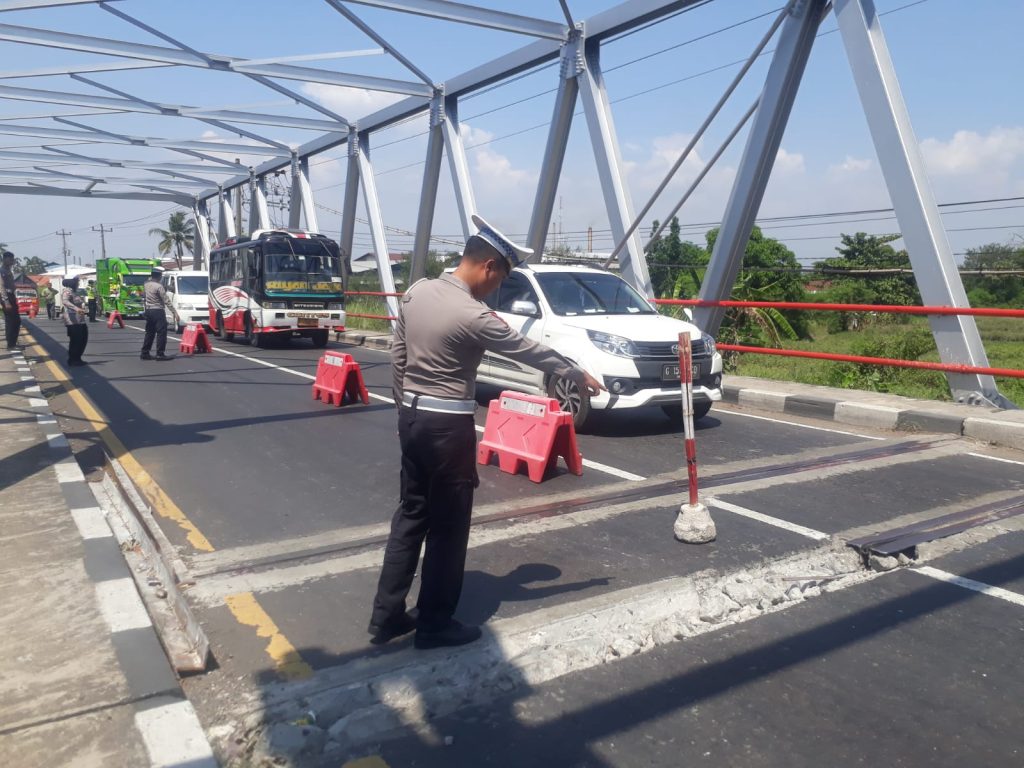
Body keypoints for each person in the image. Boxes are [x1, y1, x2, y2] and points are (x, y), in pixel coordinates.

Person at [368, 214, 605, 650]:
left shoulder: (417, 291)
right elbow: (528, 350)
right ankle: (435, 624)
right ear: (490, 266)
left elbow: (397, 353)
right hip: (448, 429)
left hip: (414, 419)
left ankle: (386, 617)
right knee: (448, 527)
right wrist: (574, 371)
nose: (498, 287)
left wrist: (406, 408)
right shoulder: (475, 315)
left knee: (410, 516)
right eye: (502, 278)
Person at [140, 267, 178, 360]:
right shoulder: (159, 286)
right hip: (158, 311)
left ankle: (145, 353)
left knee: (149, 332)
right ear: (159, 276)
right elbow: (166, 300)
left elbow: (143, 295)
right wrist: (174, 312)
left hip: (149, 311)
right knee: (161, 332)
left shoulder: (146, 284)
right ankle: (160, 354)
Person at [61, 276, 88, 366]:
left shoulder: (74, 292)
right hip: (72, 321)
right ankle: (73, 360)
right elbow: (65, 301)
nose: (78, 284)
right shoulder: (67, 291)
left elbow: (79, 302)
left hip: (80, 320)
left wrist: (83, 307)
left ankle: (78, 358)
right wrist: (76, 309)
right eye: (77, 283)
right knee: (75, 340)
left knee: (83, 339)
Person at [1, 251, 22, 351]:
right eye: (10, 259)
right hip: (6, 297)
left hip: (11, 296)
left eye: (12, 259)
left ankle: (12, 343)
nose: (12, 261)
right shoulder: (1, 271)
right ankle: (11, 344)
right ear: (4, 259)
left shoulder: (9, 270)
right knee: (11, 321)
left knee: (16, 321)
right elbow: (1, 287)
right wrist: (6, 301)